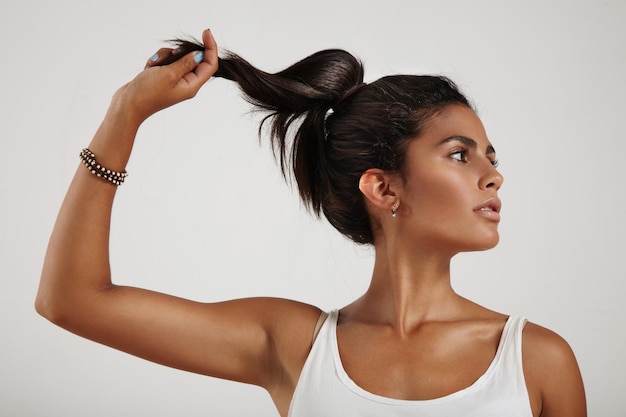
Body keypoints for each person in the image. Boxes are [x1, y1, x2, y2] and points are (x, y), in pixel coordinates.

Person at [36, 29, 586, 416]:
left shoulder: (536, 360)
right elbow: (71, 300)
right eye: (461, 155)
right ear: (382, 187)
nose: (494, 177)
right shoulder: (294, 345)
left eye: (493, 157)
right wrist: (124, 114)